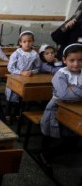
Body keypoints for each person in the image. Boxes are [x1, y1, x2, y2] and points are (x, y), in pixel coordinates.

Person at [39, 43, 82, 172]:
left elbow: (69, 95)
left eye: (80, 60)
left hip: (76, 108)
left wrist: (73, 89)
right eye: (72, 60)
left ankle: (62, 150)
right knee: (50, 134)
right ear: (64, 60)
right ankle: (44, 155)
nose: (76, 64)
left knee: (71, 137)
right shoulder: (60, 74)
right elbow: (63, 94)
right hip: (56, 109)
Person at [5, 31, 41, 123]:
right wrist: (21, 72)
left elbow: (37, 68)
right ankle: (8, 114)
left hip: (27, 79)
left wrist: (31, 72)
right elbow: (10, 68)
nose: (27, 43)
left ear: (33, 42)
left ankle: (18, 114)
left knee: (22, 97)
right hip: (15, 78)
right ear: (20, 42)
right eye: (24, 41)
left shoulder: (35, 54)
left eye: (29, 41)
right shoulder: (16, 53)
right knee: (11, 97)